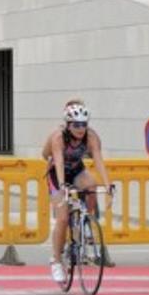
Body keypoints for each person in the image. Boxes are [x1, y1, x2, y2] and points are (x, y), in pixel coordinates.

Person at [42, 101, 112, 283]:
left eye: (84, 124)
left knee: (91, 186)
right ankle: (56, 262)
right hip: (57, 172)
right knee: (63, 218)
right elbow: (57, 160)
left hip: (76, 169)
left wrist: (108, 185)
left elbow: (98, 161)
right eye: (76, 125)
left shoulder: (91, 137)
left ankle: (85, 221)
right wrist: (63, 185)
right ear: (68, 125)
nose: (81, 129)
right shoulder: (58, 137)